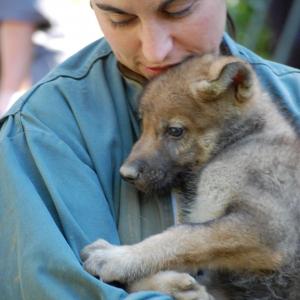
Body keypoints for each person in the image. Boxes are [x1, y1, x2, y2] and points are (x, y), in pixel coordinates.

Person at [0, 0, 299, 299]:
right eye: (120, 18)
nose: (155, 50)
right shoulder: (42, 131)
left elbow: (265, 238)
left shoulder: (290, 96)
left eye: (178, 10)